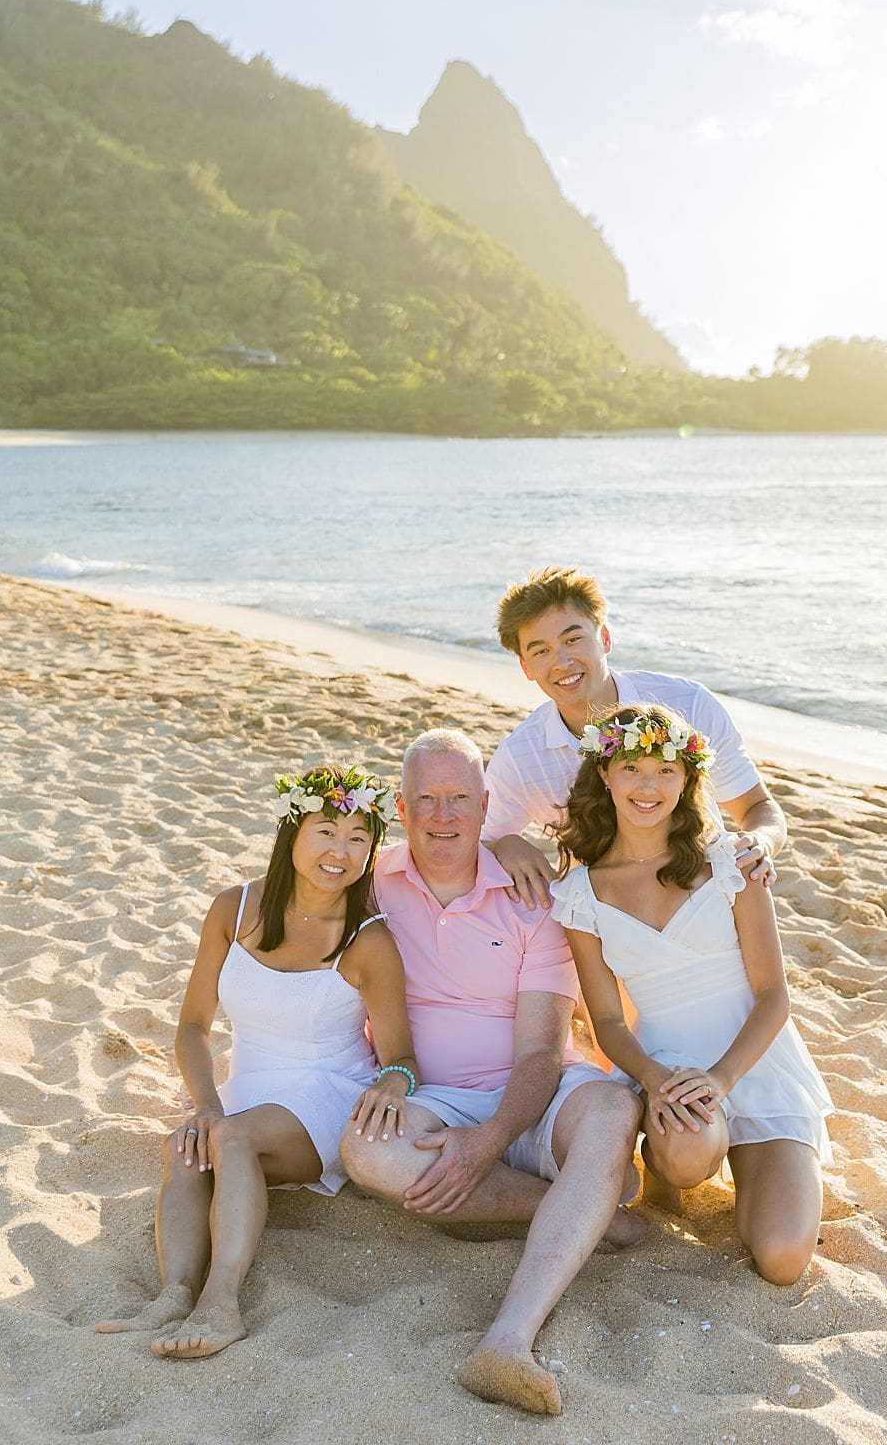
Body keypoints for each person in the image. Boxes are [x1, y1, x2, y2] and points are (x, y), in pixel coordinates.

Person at [339, 727, 644, 1418]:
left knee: (609, 1112)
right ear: (401, 805)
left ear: (485, 805)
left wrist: (489, 1142)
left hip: (534, 1089)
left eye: (458, 799)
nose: (443, 817)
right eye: (427, 800)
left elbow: (541, 1051)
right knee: (367, 1152)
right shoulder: (368, 883)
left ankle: (508, 1340)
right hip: (431, 1096)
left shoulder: (533, 897)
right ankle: (584, 1212)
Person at [97, 765, 416, 1359]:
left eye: (358, 839)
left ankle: (222, 1302)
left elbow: (400, 1057)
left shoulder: (368, 939)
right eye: (326, 830)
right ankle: (174, 1294)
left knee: (233, 1140)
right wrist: (205, 1105)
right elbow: (192, 1027)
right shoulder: (233, 908)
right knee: (187, 1146)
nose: (340, 852)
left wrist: (394, 1087)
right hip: (247, 1086)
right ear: (291, 833)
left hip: (326, 1089)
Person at [550, 704, 834, 1281]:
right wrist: (655, 1079)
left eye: (666, 770)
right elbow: (606, 1021)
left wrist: (722, 1079)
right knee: (685, 1158)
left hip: (756, 1064)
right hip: (670, 1069)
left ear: (687, 779)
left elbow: (774, 996)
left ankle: (766, 1162)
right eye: (632, 767)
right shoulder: (581, 892)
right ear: (605, 773)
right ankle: (663, 1162)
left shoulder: (732, 862)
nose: (648, 786)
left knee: (782, 1260)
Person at [483, 567, 786, 905]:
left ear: (605, 639)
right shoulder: (522, 755)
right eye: (541, 651)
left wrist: (762, 840)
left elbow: (758, 807)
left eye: (573, 639)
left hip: (707, 896)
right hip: (604, 917)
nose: (563, 662)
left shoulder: (689, 704)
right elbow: (477, 840)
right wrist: (506, 844)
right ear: (525, 666)